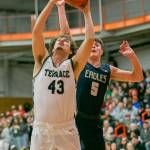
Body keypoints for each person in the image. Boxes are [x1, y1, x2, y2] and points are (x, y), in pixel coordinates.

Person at [56, 1, 143, 150]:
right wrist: (61, 7)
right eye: (92, 44)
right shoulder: (80, 63)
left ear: (102, 51)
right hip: (76, 119)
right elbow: (66, 35)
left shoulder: (108, 70)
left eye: (98, 45)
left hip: (95, 121)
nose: (94, 46)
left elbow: (137, 77)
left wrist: (132, 56)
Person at [30, 0, 94, 149]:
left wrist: (86, 12)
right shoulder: (41, 60)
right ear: (52, 48)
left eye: (65, 42)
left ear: (71, 50)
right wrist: (51, 3)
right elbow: (36, 32)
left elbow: (89, 40)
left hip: (66, 130)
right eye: (59, 40)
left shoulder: (74, 66)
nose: (61, 41)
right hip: (42, 129)